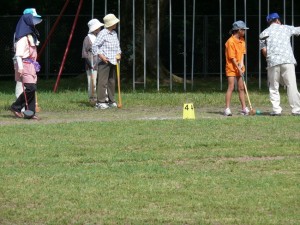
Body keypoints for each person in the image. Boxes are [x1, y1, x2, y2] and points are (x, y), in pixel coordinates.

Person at [260, 13, 300, 116]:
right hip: (287, 60)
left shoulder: (264, 33)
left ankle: (276, 110)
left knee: (274, 86)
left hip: (273, 61)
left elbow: (264, 51)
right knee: (291, 85)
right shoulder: (285, 28)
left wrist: (270, 58)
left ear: (269, 22)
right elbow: (298, 30)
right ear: (277, 20)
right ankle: (296, 109)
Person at [10, 8, 42, 119]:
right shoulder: (22, 37)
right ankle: (16, 106)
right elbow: (19, 54)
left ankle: (30, 113)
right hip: (24, 65)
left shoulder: (31, 35)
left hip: (31, 65)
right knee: (30, 88)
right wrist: (20, 67)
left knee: (32, 89)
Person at [92, 14, 121, 109]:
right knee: (102, 82)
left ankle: (111, 100)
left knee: (112, 81)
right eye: (114, 22)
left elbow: (117, 46)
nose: (116, 23)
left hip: (113, 60)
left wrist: (119, 53)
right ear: (110, 24)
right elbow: (95, 46)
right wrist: (101, 56)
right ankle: (100, 102)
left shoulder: (114, 33)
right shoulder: (103, 33)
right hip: (104, 61)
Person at [223, 20, 250, 116]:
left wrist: (242, 64)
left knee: (241, 87)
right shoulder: (230, 42)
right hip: (231, 67)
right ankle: (227, 109)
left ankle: (244, 108)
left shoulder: (242, 40)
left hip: (239, 67)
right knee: (231, 87)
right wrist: (237, 68)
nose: (245, 31)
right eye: (243, 29)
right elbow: (232, 57)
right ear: (239, 30)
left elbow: (242, 53)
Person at [82, 18, 104, 104]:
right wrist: (90, 64)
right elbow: (84, 53)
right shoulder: (87, 39)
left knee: (102, 81)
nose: (100, 29)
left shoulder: (101, 37)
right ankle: (92, 98)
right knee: (92, 82)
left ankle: (103, 98)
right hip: (91, 63)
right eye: (98, 28)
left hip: (101, 63)